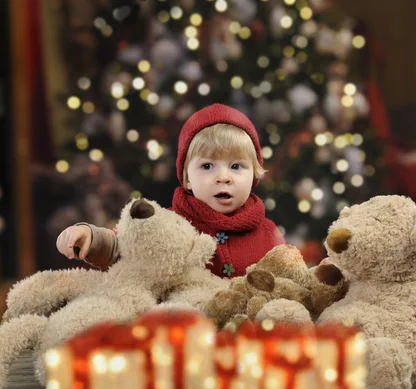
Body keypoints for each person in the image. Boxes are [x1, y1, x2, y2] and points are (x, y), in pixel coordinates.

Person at [56, 103, 285, 278]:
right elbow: (123, 245)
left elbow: (291, 282)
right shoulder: (167, 223)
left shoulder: (269, 234)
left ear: (254, 174)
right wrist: (90, 237)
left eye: (236, 167)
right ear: (186, 178)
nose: (223, 178)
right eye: (207, 166)